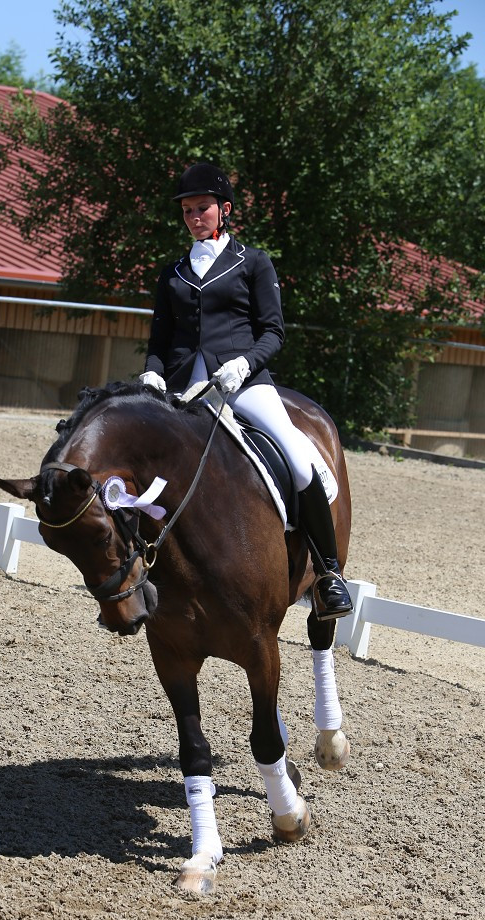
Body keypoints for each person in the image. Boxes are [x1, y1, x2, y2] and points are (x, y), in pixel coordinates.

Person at [140, 162, 352, 620]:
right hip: (184, 388)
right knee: (135, 464)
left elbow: (273, 331)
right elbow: (158, 342)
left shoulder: (253, 262)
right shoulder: (172, 272)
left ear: (225, 210)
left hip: (241, 381)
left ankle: (330, 575)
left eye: (203, 208)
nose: (195, 217)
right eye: (188, 211)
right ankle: (132, 567)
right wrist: (153, 374)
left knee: (299, 460)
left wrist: (245, 363)